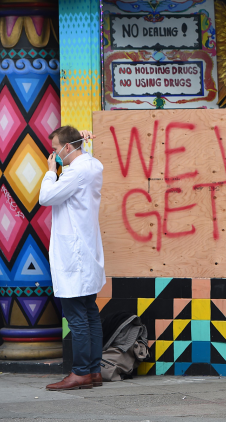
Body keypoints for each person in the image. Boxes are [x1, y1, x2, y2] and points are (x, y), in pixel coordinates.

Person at [40, 126, 106, 391]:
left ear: (67, 148)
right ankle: (94, 371)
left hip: (74, 255)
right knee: (90, 313)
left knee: (77, 316)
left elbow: (46, 197)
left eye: (56, 149)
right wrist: (82, 144)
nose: (53, 154)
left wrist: (50, 171)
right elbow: (82, 159)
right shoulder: (92, 165)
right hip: (86, 251)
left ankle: (80, 373)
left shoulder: (75, 172)